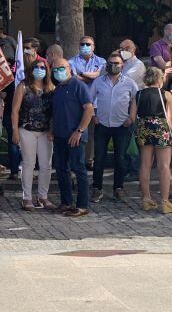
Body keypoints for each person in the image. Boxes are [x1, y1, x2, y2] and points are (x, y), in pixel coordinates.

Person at [89, 51, 137, 202]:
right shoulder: (98, 82)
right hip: (102, 124)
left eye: (116, 63)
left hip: (122, 125)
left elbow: (135, 100)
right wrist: (93, 116)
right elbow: (89, 100)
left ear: (122, 65)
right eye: (110, 63)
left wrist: (131, 117)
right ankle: (97, 188)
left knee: (120, 158)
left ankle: (118, 187)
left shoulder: (129, 82)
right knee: (99, 158)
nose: (113, 66)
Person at [50, 59, 94, 217]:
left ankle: (82, 205)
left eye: (61, 68)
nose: (58, 71)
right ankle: (66, 202)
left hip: (75, 135)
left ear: (69, 68)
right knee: (62, 170)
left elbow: (88, 109)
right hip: (60, 136)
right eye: (55, 69)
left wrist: (79, 131)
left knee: (78, 168)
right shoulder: (58, 88)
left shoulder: (78, 85)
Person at [132, 67, 172, 213]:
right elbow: (171, 118)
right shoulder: (166, 94)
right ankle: (165, 201)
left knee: (145, 165)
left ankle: (146, 199)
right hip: (161, 129)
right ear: (159, 79)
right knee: (164, 166)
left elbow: (132, 117)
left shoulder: (138, 94)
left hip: (144, 128)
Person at [10, 58, 55, 210]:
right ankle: (27, 197)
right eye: (37, 67)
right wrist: (15, 130)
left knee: (46, 165)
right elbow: (15, 111)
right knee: (28, 163)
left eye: (43, 67)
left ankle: (43, 196)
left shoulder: (51, 88)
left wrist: (52, 129)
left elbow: (54, 112)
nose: (40, 70)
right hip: (26, 129)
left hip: (45, 132)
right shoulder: (23, 86)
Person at [70, 35, 105, 170]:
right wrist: (90, 76)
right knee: (78, 130)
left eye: (88, 44)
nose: (85, 46)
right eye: (83, 44)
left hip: (96, 103)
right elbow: (74, 78)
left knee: (92, 134)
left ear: (94, 46)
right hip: (78, 104)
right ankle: (77, 161)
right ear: (79, 46)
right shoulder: (71, 61)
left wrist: (82, 74)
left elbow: (99, 75)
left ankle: (89, 160)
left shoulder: (101, 61)